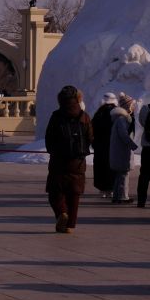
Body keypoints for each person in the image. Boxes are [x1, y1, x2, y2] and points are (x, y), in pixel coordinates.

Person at [44, 85, 92, 232]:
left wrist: (53, 151)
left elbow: (49, 138)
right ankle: (70, 225)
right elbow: (90, 137)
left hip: (58, 160)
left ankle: (61, 213)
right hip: (77, 162)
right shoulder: (84, 116)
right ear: (78, 98)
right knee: (74, 193)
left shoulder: (56, 116)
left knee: (55, 191)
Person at [108, 93, 138, 203]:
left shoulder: (121, 119)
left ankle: (117, 196)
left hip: (120, 151)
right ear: (127, 107)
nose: (134, 107)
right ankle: (122, 196)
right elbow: (124, 135)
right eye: (132, 105)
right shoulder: (121, 119)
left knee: (120, 174)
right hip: (121, 152)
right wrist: (132, 145)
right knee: (123, 175)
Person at [90, 93, 118, 198]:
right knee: (112, 167)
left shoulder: (99, 112)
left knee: (100, 167)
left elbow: (92, 128)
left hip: (100, 146)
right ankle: (111, 187)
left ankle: (102, 188)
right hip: (113, 145)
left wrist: (94, 143)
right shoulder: (117, 112)